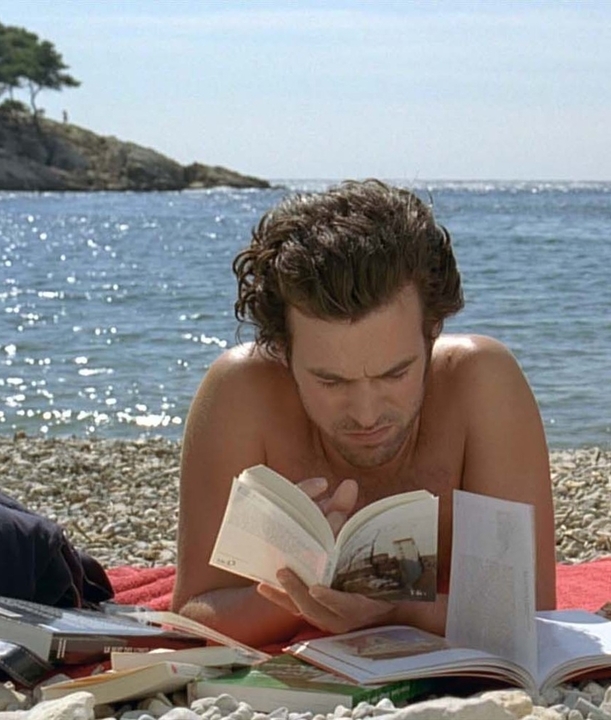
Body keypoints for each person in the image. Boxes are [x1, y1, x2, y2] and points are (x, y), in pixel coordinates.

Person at [171, 180, 556, 646]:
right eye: (330, 381)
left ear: (433, 330)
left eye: (396, 374)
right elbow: (193, 614)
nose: (367, 414)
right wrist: (297, 588)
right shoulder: (242, 392)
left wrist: (392, 604)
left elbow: (529, 613)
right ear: (282, 350)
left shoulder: (480, 383)